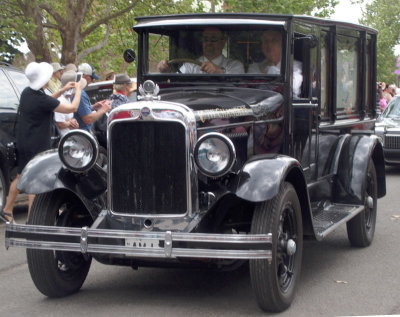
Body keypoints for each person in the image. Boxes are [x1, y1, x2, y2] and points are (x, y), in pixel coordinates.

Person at [0, 62, 85, 223]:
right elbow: (72, 107)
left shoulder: (27, 93)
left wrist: (61, 90)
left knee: (20, 176)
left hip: (24, 140)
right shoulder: (41, 99)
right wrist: (78, 89)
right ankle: (33, 219)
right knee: (35, 180)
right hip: (37, 143)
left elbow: (47, 101)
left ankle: (7, 210)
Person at [157, 27, 244, 74]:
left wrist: (219, 72)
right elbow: (176, 82)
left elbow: (238, 86)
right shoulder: (190, 66)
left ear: (223, 42)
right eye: (205, 39)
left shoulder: (235, 65)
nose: (209, 43)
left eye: (213, 39)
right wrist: (165, 70)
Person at [247, 30, 303, 97]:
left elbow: (293, 87)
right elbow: (249, 89)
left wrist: (270, 69)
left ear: (282, 45)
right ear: (262, 46)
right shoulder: (255, 67)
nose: (269, 45)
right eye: (265, 41)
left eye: (274, 41)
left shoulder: (295, 65)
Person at [74, 63, 111, 132]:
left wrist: (93, 107)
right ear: (85, 76)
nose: (92, 81)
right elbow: (88, 119)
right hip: (83, 136)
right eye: (92, 78)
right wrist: (103, 109)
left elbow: (79, 110)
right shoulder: (80, 93)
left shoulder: (75, 90)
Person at [54, 70, 81, 136]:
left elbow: (68, 118)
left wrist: (74, 123)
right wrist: (70, 123)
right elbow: (60, 123)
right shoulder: (60, 100)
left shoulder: (67, 98)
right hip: (64, 139)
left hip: (70, 135)